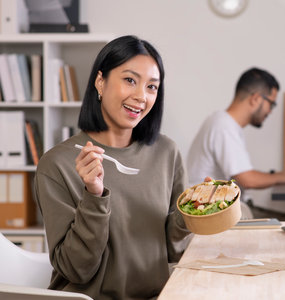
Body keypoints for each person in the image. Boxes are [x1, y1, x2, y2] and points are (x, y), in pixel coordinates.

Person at [33, 35, 192, 300]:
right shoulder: (57, 164)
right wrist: (94, 195)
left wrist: (194, 209)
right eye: (130, 80)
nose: (141, 96)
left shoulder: (167, 153)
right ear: (100, 82)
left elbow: (174, 249)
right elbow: (76, 270)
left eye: (152, 87)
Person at [187, 67, 285, 191]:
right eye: (271, 104)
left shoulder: (224, 123)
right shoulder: (223, 126)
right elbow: (248, 180)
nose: (270, 112)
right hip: (208, 210)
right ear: (256, 99)